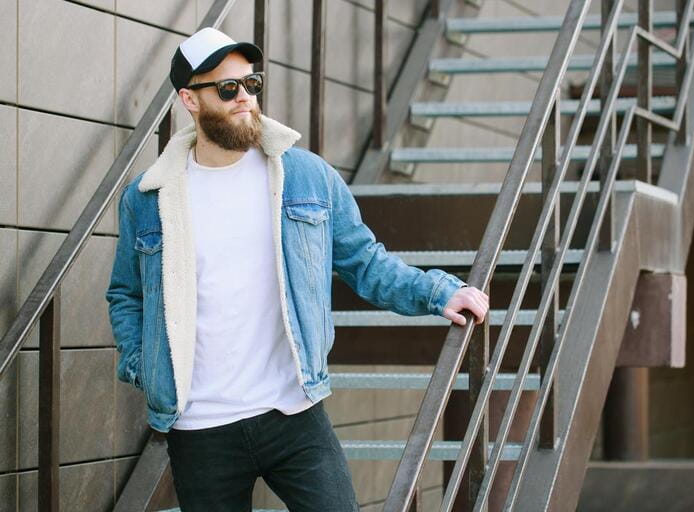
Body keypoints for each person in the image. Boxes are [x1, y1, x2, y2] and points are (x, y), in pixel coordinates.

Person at [105, 27, 489, 512]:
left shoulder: (304, 176)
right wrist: (145, 367)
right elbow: (125, 295)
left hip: (293, 411)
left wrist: (437, 293)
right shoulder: (149, 197)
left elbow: (365, 261)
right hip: (199, 428)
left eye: (251, 84)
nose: (245, 98)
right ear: (190, 100)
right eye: (228, 89)